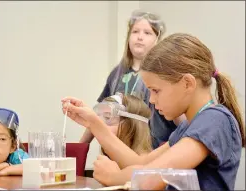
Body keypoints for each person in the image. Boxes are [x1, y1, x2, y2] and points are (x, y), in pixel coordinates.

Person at [62, 33, 245, 190]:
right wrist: (93, 123)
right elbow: (141, 164)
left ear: (187, 83)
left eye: (156, 90)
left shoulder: (215, 120)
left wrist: (115, 177)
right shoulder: (190, 126)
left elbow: (151, 177)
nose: (150, 99)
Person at [80, 10, 182, 149]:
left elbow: (181, 119)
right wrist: (80, 147)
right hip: (117, 153)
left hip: (152, 154)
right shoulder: (116, 74)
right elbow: (101, 115)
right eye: (135, 32)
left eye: (147, 33)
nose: (140, 37)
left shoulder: (164, 75)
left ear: (158, 40)